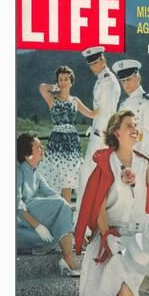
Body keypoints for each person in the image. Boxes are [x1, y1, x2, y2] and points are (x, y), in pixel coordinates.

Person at [75, 110, 149, 296]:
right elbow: (98, 204)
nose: (135, 129)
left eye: (136, 125)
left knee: (126, 283)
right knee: (100, 288)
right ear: (116, 132)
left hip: (138, 235)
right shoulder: (106, 162)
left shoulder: (144, 162)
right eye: (129, 125)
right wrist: (107, 235)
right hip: (110, 234)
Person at [16, 133, 80, 277]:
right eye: (39, 147)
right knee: (59, 204)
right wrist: (37, 226)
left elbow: (52, 194)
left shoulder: (35, 172)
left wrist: (69, 213)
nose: (42, 148)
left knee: (62, 204)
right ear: (27, 154)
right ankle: (68, 258)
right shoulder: (17, 171)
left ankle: (67, 257)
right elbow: (16, 204)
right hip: (20, 221)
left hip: (29, 217)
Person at [38, 65, 96, 203]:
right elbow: (42, 87)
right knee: (53, 179)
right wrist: (56, 88)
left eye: (66, 79)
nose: (63, 82)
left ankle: (66, 214)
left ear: (71, 81)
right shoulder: (53, 100)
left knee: (68, 181)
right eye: (61, 79)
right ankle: (55, 213)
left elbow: (92, 114)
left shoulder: (75, 101)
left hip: (71, 144)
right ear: (57, 82)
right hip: (56, 143)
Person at [75, 46, 121, 212]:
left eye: (96, 62)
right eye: (91, 64)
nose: (94, 67)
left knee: (86, 178)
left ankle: (82, 223)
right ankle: (86, 222)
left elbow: (107, 114)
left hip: (101, 138)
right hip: (98, 134)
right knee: (90, 178)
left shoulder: (107, 82)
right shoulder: (103, 79)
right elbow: (100, 112)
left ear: (103, 60)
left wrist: (101, 134)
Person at [113, 59, 149, 159]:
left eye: (129, 79)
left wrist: (145, 161)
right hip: (123, 156)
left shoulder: (148, 102)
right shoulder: (123, 104)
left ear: (138, 78)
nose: (126, 84)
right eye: (123, 81)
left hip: (140, 155)